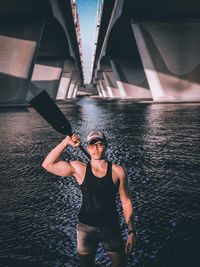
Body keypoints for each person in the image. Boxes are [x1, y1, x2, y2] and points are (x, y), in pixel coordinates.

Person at [42, 130, 136, 267]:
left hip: (111, 228)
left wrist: (132, 232)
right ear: (87, 148)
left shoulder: (118, 171)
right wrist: (66, 142)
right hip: (86, 229)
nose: (96, 148)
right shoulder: (79, 169)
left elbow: (126, 202)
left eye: (99, 144)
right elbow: (47, 165)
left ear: (106, 146)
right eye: (92, 145)